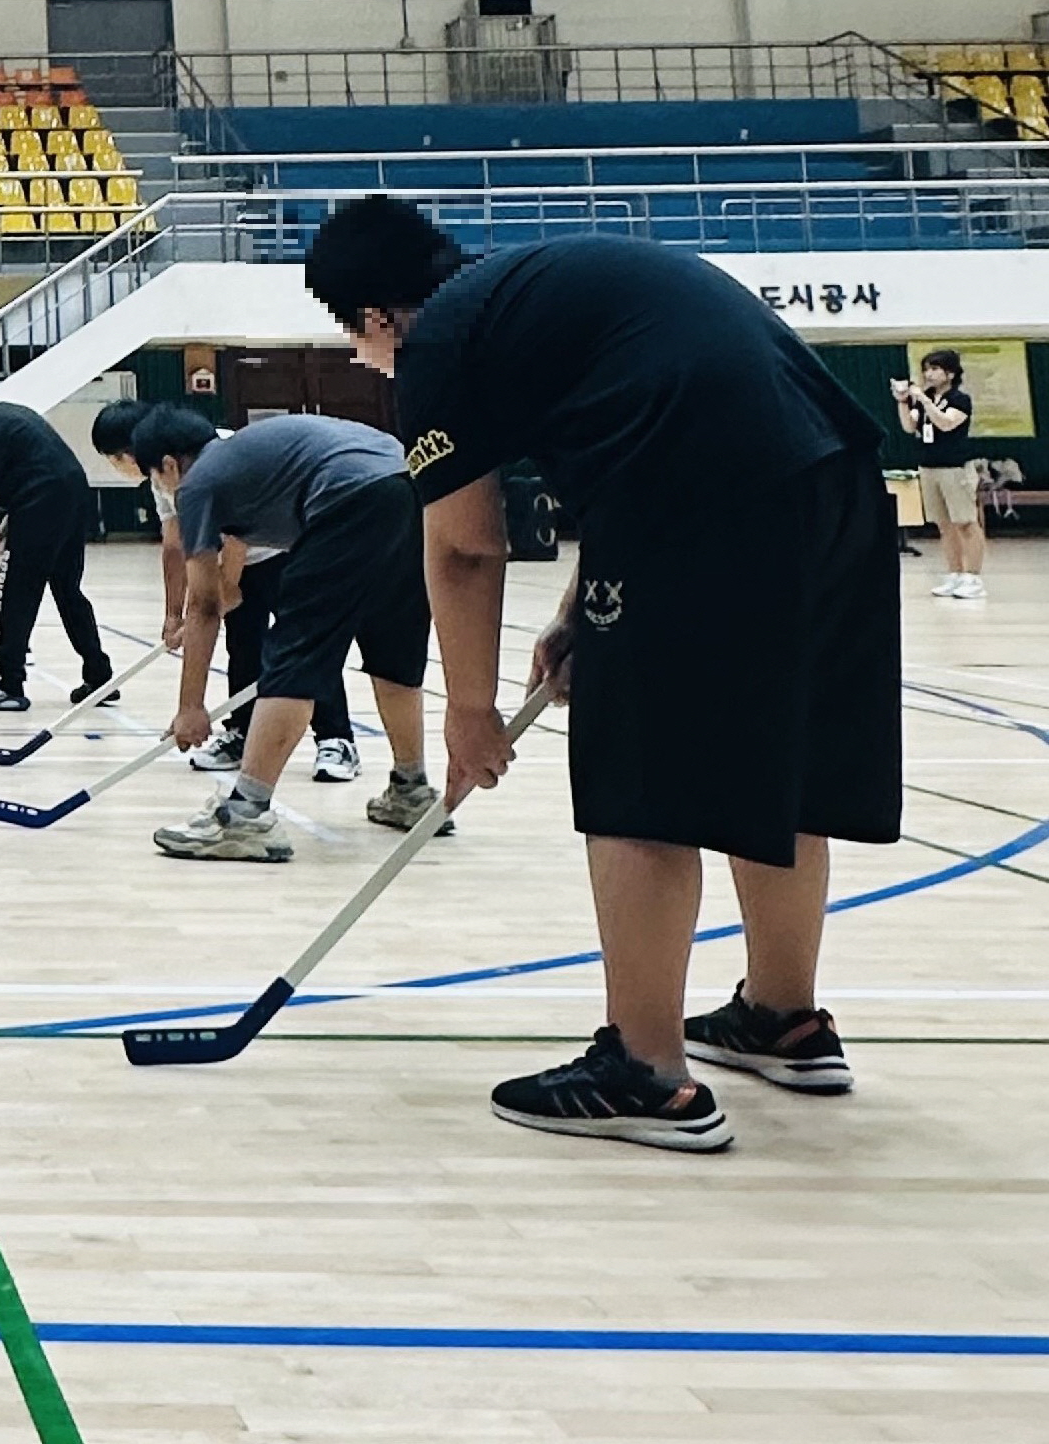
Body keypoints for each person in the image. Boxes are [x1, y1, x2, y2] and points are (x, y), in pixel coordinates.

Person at [306, 196, 899, 1152]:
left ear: (375, 316)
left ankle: (646, 1070)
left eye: (353, 335)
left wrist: (468, 710)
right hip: (835, 486)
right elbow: (645, 425)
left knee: (641, 781)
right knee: (778, 761)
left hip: (702, 500)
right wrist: (588, 604)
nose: (363, 355)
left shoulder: (440, 345)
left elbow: (465, 546)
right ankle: (782, 1017)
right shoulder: (539, 286)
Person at [122, 406, 436, 864]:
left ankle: (246, 815)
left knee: (294, 657)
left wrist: (190, 707)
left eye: (156, 476)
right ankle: (412, 791)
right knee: (393, 651)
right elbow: (223, 586)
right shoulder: (243, 458)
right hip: (409, 485)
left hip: (349, 497)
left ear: (169, 465)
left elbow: (205, 605)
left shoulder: (198, 484)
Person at [91, 399, 363, 783]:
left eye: (116, 457)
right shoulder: (161, 472)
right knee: (243, 645)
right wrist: (173, 615)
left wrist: (224, 590)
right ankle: (241, 734)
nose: (116, 466)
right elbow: (175, 544)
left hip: (282, 548)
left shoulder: (213, 451)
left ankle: (336, 739)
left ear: (133, 449)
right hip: (234, 555)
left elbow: (236, 534)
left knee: (304, 643)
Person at [0, 380, 111, 712]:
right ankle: (99, 676)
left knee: (15, 592)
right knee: (67, 589)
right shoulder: (8, 414)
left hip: (41, 503)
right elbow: (30, 469)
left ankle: (9, 684)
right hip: (72, 495)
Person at [896, 349, 985, 600]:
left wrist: (924, 401)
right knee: (944, 525)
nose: (929, 374)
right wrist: (903, 402)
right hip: (929, 467)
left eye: (935, 369)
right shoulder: (927, 397)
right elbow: (909, 426)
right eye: (926, 369)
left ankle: (973, 577)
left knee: (966, 522)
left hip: (955, 468)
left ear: (950, 373)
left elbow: (946, 423)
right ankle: (955, 573)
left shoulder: (960, 399)